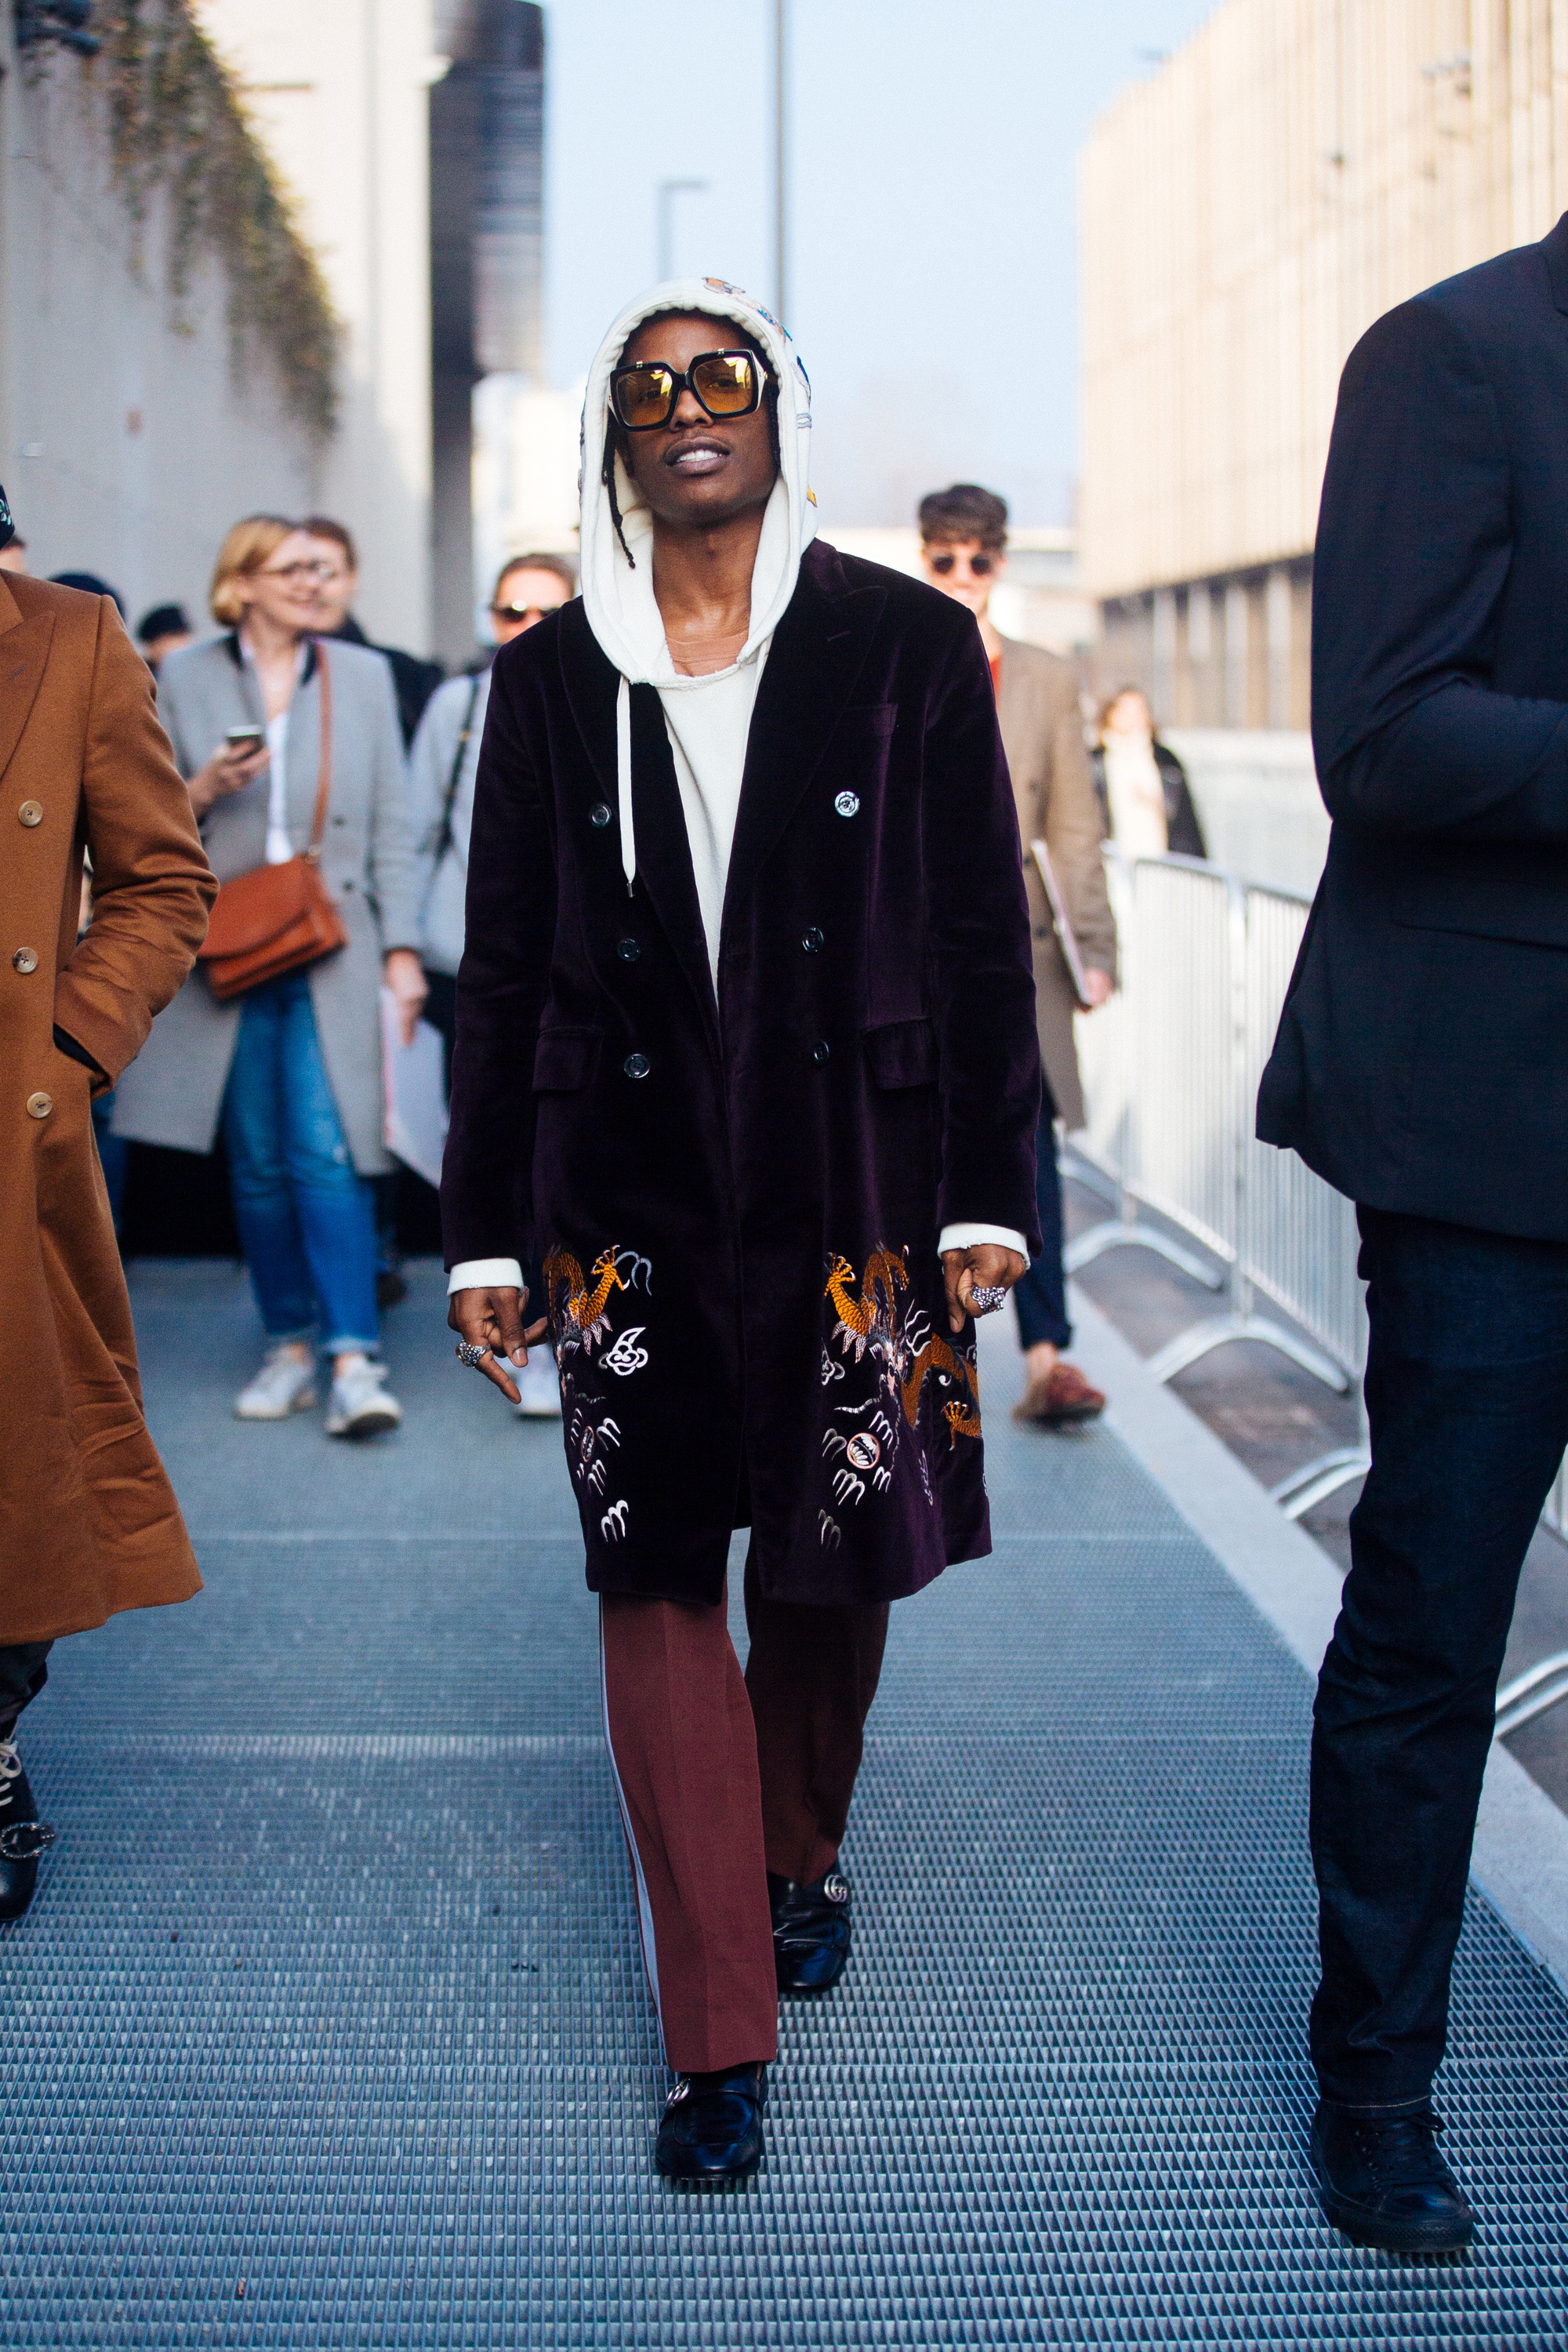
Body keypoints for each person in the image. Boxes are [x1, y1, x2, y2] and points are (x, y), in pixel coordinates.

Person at [441, 281, 1041, 2184]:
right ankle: (717, 2028)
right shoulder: (550, 683)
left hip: (857, 1172)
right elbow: (503, 961)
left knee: (833, 1549)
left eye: (723, 379)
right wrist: (480, 1234)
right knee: (650, 1573)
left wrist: (983, 1194)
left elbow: (972, 938)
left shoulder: (903, 642)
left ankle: (797, 1848)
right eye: (650, 387)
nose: (688, 407)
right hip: (617, 1199)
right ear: (615, 433)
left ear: (780, 412)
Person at [1253, 220, 1568, 2254]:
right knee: (1437, 1621)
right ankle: (1377, 2082)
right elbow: (1378, 731)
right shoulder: (1453, 355)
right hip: (1491, 1126)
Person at [0, 481, 216, 1922]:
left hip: (9, 1132)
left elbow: (162, 880)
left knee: (18, 1478)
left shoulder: (69, 639)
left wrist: (66, 1048)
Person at [111, 516, 426, 1439]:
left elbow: (393, 826)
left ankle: (352, 1357)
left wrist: (402, 953)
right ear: (240, 583)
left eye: (324, 569)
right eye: (291, 569)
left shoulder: (360, 676)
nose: (313, 582)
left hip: (338, 938)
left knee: (327, 1151)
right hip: (229, 942)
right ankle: (288, 1342)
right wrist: (205, 784)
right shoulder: (186, 675)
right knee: (252, 1164)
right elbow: (143, 815)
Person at [919, 483, 1116, 1428]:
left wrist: (1095, 947)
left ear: (1000, 563)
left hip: (1018, 958)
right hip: (910, 954)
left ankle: (1044, 1358)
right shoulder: (894, 661)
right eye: (943, 558)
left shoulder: (1043, 678)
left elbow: (1076, 826)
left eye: (978, 559)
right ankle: (927, 1349)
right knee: (911, 1148)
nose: (962, 577)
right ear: (925, 560)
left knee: (1027, 1148)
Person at [408, 552, 575, 1419]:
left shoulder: (599, 695)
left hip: (579, 970)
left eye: (546, 612)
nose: (526, 627)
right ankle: (503, 1308)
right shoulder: (460, 705)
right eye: (511, 611)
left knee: (562, 1155)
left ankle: (548, 1335)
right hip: (476, 960)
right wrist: (403, 949)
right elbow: (412, 826)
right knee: (485, 1139)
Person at [301, 517, 445, 748]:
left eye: (327, 572)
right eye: (299, 571)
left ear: (352, 580)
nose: (313, 585)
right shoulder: (257, 670)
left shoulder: (405, 676)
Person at [1090, 685, 1205, 861]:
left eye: (1139, 710)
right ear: (1110, 714)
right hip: (1113, 864)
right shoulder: (1095, 763)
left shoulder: (1166, 760)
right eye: (1125, 710)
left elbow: (1186, 823)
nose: (1132, 717)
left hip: (1162, 863)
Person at [136, 602, 195, 677]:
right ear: (151, 646)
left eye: (183, 636)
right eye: (174, 636)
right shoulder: (140, 679)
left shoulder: (193, 673)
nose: (182, 643)